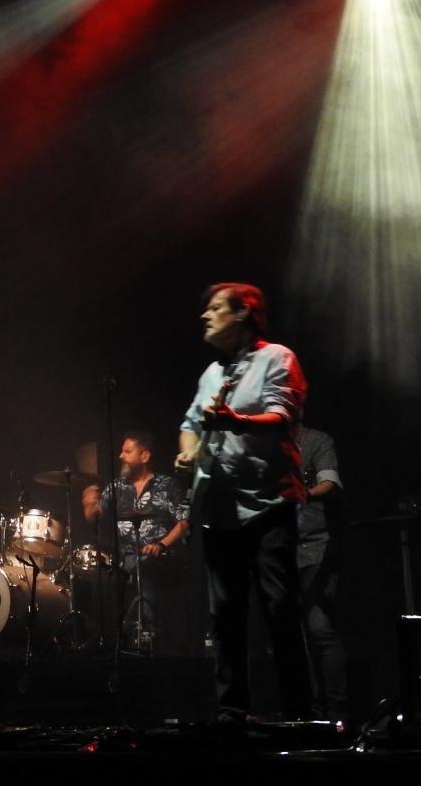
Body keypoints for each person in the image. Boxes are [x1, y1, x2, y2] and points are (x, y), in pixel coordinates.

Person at [175, 282, 311, 722]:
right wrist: (188, 450)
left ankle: (297, 717)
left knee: (279, 613)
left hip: (269, 505)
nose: (204, 315)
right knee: (226, 620)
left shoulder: (277, 357)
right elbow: (191, 423)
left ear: (243, 313)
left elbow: (281, 416)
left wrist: (237, 421)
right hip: (222, 512)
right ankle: (232, 714)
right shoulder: (211, 374)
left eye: (215, 308)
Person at [81, 431, 191, 650]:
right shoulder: (116, 487)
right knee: (93, 573)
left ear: (144, 456)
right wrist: (88, 505)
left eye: (127, 451)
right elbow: (94, 516)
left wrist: (160, 545)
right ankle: (107, 641)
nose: (121, 456)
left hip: (162, 557)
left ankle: (147, 636)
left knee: (144, 567)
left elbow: (184, 522)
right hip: (124, 558)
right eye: (121, 451)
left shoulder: (167, 485)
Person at [296, 424, 348, 719]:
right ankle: (310, 711)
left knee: (319, 629)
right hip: (282, 550)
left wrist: (303, 494)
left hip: (318, 546)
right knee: (296, 636)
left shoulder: (318, 441)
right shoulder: (268, 445)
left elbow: (330, 483)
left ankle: (337, 711)